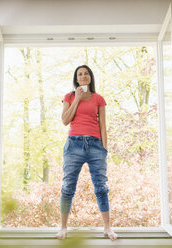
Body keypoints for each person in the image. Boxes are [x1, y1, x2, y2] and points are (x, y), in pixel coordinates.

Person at [56, 65, 117, 241]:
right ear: (76, 79)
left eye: (86, 73)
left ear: (90, 77)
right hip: (74, 145)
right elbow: (65, 121)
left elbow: (103, 125)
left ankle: (107, 227)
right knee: (68, 187)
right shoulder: (69, 96)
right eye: (80, 74)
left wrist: (104, 148)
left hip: (96, 145)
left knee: (101, 187)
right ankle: (63, 227)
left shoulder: (99, 99)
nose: (83, 76)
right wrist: (77, 99)